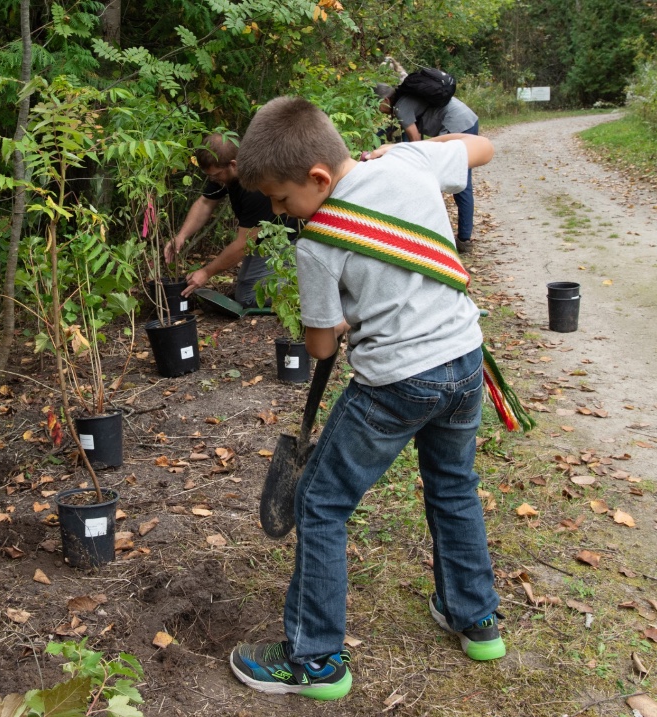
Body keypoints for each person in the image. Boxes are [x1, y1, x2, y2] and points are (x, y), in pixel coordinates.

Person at [228, 96, 503, 700]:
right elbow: (481, 147)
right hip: (464, 361)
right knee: (454, 485)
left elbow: (322, 348)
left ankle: (316, 660)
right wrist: (417, 151)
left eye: (280, 198)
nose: (278, 211)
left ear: (318, 178)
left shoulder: (315, 243)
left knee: (321, 501)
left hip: (398, 384)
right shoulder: (406, 162)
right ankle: (476, 619)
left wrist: (345, 319)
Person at [163, 133, 296, 307]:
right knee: (246, 286)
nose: (212, 179)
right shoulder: (224, 173)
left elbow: (244, 244)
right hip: (262, 241)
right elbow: (205, 203)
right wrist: (181, 236)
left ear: (234, 164)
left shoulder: (255, 186)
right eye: (209, 176)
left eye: (215, 175)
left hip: (288, 240)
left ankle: (304, 285)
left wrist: (206, 272)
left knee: (248, 296)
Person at [375, 81, 480, 253]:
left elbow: (416, 143)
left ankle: (463, 239)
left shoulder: (401, 107)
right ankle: (458, 235)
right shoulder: (404, 102)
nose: (375, 109)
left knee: (460, 177)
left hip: (459, 124)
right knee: (455, 176)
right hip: (466, 118)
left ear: (385, 99)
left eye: (376, 104)